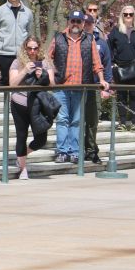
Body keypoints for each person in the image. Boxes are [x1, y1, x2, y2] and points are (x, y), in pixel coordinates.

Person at [47, 10, 109, 164]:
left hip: (81, 87)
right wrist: (50, 77)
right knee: (62, 119)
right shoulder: (58, 37)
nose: (75, 24)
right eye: (73, 21)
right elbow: (47, 58)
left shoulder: (89, 39)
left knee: (76, 120)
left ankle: (74, 152)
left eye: (78, 21)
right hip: (61, 86)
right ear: (69, 22)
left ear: (83, 24)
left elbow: (97, 62)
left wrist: (102, 80)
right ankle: (62, 151)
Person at [9, 37, 56, 179]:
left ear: (39, 48)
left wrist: (44, 75)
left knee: (41, 138)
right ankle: (23, 168)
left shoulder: (45, 62)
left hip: (38, 104)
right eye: (29, 48)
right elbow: (12, 84)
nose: (32, 51)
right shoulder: (17, 62)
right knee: (21, 135)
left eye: (35, 48)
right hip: (20, 103)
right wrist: (24, 71)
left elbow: (53, 84)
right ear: (25, 48)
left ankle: (21, 155)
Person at [109, 5, 135, 127]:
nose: (128, 16)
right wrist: (112, 65)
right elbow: (109, 48)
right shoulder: (115, 31)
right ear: (122, 16)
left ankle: (134, 122)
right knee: (121, 96)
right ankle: (121, 122)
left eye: (130, 14)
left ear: (134, 16)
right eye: (125, 14)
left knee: (134, 96)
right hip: (119, 68)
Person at [82, 13, 113, 163]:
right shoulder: (75, 40)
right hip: (78, 87)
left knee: (92, 121)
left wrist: (106, 87)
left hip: (95, 86)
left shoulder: (101, 42)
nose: (87, 25)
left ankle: (91, 149)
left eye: (89, 23)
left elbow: (106, 65)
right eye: (84, 23)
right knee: (77, 120)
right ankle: (77, 148)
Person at [0, 0, 34, 86]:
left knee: (22, 81)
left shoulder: (28, 12)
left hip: (22, 53)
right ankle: (5, 102)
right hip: (5, 54)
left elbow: (30, 32)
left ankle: (19, 102)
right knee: (6, 81)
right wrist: (5, 41)